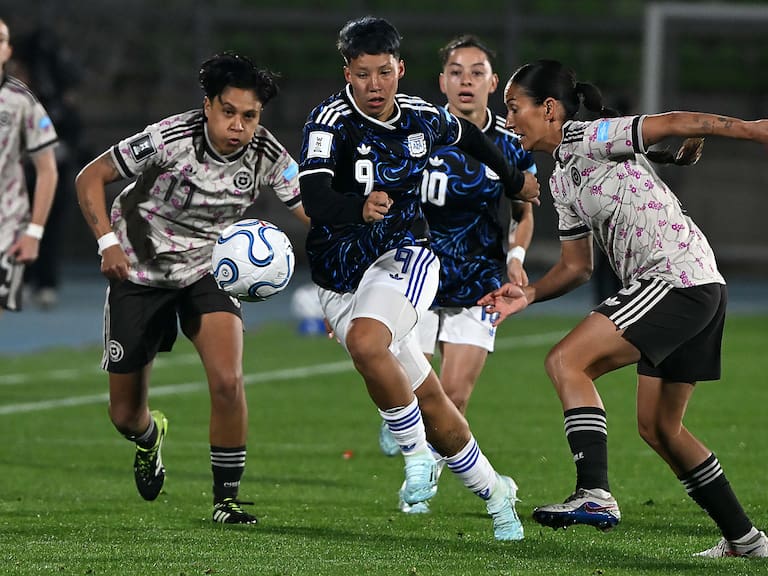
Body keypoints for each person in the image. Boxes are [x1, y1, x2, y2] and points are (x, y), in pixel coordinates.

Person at [478, 59, 768, 557]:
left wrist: (753, 131)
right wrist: (526, 294)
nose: (507, 118)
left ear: (548, 108)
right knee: (660, 428)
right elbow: (575, 267)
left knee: (566, 361)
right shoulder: (563, 178)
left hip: (676, 279)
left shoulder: (590, 136)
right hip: (691, 286)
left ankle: (594, 492)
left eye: (513, 106)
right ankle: (746, 540)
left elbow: (675, 121)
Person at [299, 16, 538, 541]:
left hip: (406, 256)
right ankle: (497, 495)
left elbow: (473, 139)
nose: (376, 85)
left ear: (400, 69)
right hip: (340, 275)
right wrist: (356, 209)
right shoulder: (327, 121)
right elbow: (315, 199)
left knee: (367, 343)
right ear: (348, 72)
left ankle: (415, 458)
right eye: (364, 75)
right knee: (429, 398)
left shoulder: (423, 118)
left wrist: (515, 176)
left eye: (385, 73)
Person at [75, 52, 309, 525]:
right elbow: (90, 177)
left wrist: (357, 220)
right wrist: (107, 245)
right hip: (138, 273)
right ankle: (149, 439)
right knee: (124, 416)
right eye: (229, 111)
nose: (239, 125)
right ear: (208, 106)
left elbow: (312, 209)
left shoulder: (267, 155)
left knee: (227, 381)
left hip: (208, 270)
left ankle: (226, 500)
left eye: (250, 116)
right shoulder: (168, 138)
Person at [375, 35, 536, 516]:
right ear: (441, 81)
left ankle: (421, 483)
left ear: (493, 83)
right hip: (415, 277)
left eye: (477, 71)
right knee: (419, 390)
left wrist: (516, 258)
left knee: (455, 396)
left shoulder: (510, 143)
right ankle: (412, 448)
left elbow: (524, 211)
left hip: (479, 281)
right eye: (456, 70)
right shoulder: (414, 134)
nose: (466, 79)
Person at [0, 18, 58, 317]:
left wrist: (33, 232)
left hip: (6, 225)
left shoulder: (22, 102)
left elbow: (48, 168)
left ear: (8, 51)